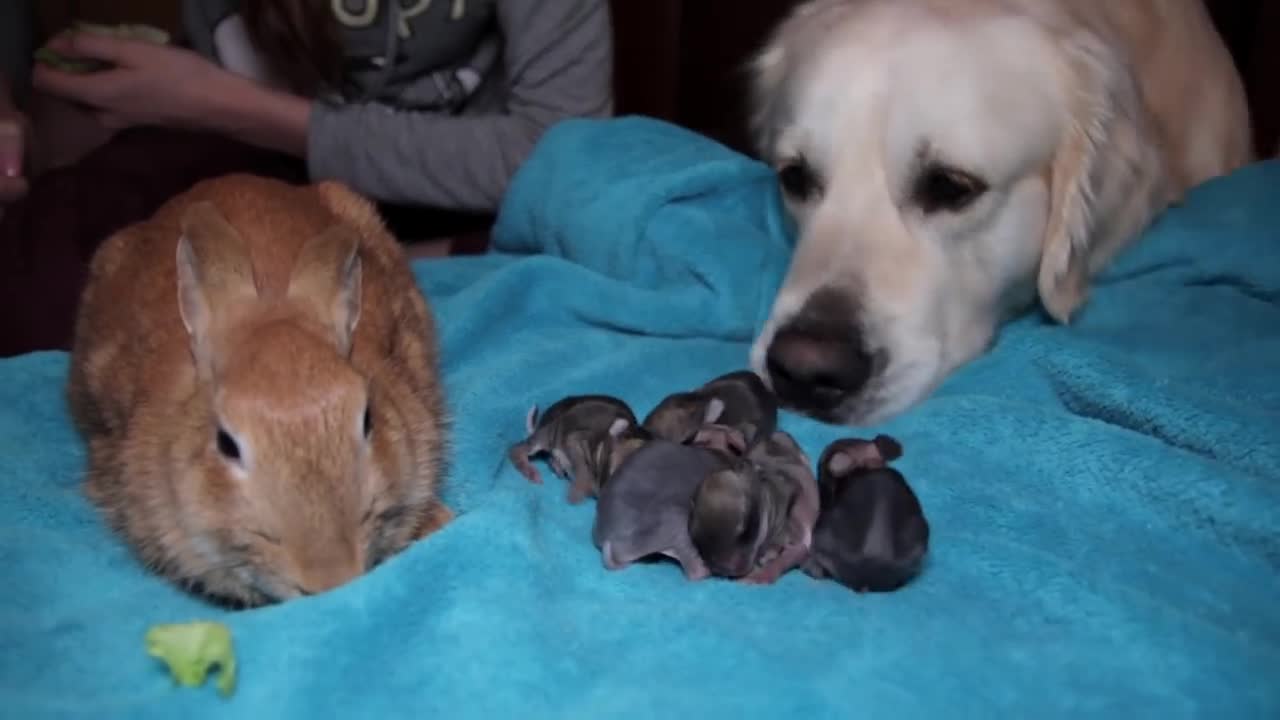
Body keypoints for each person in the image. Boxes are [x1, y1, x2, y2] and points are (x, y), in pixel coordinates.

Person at [1, 0, 614, 357]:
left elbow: (563, 149)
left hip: (459, 178)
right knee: (48, 283)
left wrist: (232, 108)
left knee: (608, 238)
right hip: (244, 154)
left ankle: (400, 263)